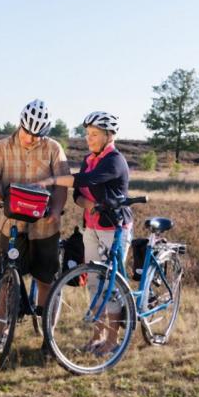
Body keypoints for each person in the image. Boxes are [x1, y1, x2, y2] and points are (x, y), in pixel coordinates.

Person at [38, 111, 132, 356]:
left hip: (114, 228)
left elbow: (87, 180)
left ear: (108, 136)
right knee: (93, 281)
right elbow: (79, 193)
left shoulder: (114, 161)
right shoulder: (90, 158)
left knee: (111, 284)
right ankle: (97, 336)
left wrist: (52, 180)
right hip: (91, 227)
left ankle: (112, 340)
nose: (88, 139)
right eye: (87, 134)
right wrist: (86, 204)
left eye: (94, 134)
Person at [0, 99, 70, 356]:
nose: (31, 138)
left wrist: (56, 209)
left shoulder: (53, 148)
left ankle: (47, 336)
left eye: (37, 134)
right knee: (6, 280)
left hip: (45, 227)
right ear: (20, 123)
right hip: (12, 227)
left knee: (46, 281)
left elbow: (62, 183)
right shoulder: (2, 147)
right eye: (28, 131)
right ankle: (1, 332)